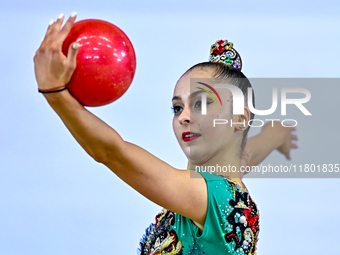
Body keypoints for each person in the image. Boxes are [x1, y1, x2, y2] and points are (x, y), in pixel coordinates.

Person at [34, 14, 298, 255]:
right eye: (177, 107)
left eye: (201, 103)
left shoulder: (211, 197)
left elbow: (112, 152)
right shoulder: (227, 179)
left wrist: (55, 92)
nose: (183, 116)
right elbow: (248, 153)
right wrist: (275, 135)